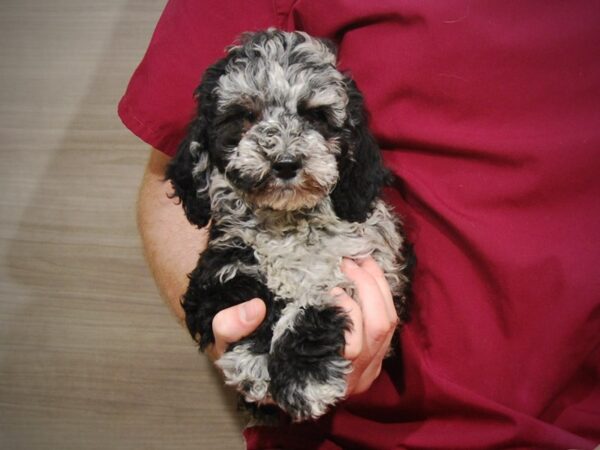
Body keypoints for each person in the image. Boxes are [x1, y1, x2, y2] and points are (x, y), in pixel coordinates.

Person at [120, 1, 600, 448]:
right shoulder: (217, 145)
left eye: (314, 118)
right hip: (354, 433)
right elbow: (173, 179)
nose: (284, 148)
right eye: (248, 120)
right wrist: (248, 341)